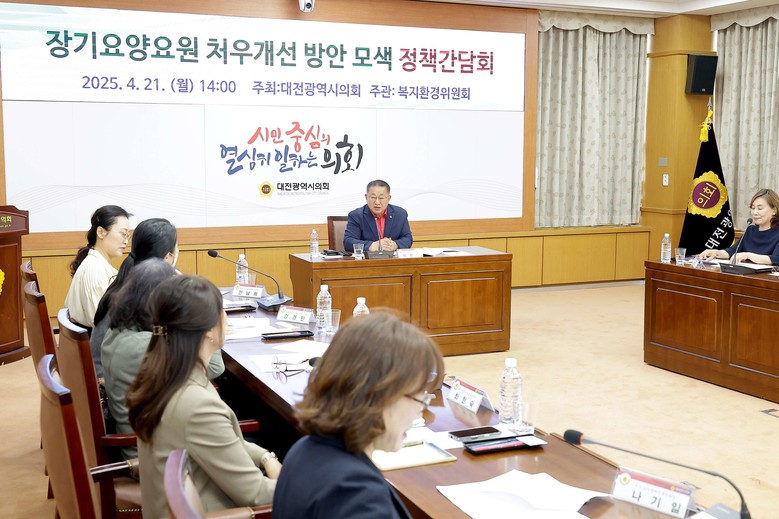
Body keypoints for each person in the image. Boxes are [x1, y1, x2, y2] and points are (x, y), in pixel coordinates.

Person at [127, 275, 279, 517]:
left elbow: (225, 442)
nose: (226, 318)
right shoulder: (197, 406)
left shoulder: (166, 376)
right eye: (222, 310)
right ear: (208, 330)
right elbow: (257, 494)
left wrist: (265, 457)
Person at [272, 312, 444, 519]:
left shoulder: (304, 449)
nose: (418, 412)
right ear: (379, 395)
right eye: (418, 399)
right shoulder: (358, 495)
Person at [101, 259, 224, 460]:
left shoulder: (118, 332)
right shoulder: (144, 345)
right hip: (152, 456)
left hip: (149, 439)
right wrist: (203, 314)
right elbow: (215, 367)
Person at [91, 218, 180, 377]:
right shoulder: (143, 294)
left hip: (112, 373)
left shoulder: (129, 281)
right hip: (114, 379)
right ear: (168, 257)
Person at [65, 205, 132, 331]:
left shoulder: (98, 263)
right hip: (96, 340)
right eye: (123, 234)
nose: (126, 241)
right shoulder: (94, 269)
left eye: (128, 235)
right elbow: (101, 322)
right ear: (101, 232)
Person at [699, 188, 779, 265]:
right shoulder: (750, 230)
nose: (755, 213)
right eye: (753, 208)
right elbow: (732, 251)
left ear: (774, 210)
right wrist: (715, 253)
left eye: (760, 208)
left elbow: (776, 258)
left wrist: (747, 255)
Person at [343, 180, 413, 253]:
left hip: (392, 258)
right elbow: (348, 242)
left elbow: (408, 238)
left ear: (389, 198)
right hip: (367, 259)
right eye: (373, 197)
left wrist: (395, 245)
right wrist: (371, 246)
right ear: (366, 197)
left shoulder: (400, 214)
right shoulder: (356, 215)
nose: (377, 202)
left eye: (381, 198)